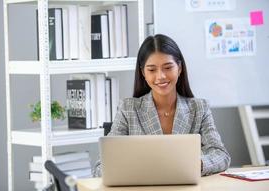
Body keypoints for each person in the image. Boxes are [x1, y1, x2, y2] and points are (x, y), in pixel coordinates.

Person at [93, 34, 231, 177]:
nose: (161, 76)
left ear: (179, 68)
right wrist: (134, 171)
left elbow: (221, 154)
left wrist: (196, 164)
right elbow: (100, 167)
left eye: (168, 67)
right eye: (152, 70)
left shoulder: (199, 108)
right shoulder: (128, 109)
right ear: (143, 73)